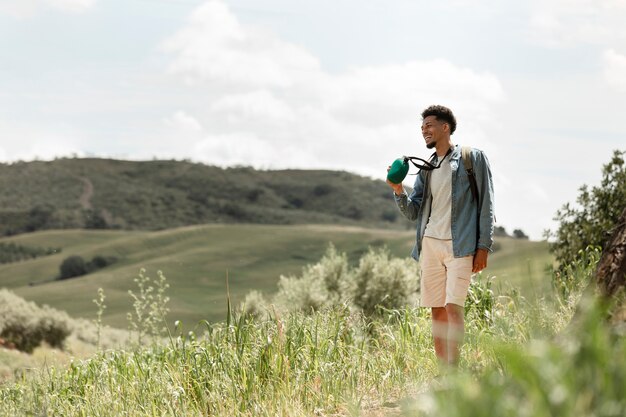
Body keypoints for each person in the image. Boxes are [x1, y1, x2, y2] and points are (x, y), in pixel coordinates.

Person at [387, 104, 494, 367]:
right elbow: (414, 211)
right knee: (437, 309)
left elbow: (487, 205)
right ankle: (443, 371)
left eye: (429, 126)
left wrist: (483, 247)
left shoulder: (472, 158)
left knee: (453, 307)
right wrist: (398, 190)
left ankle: (455, 373)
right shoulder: (426, 167)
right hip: (430, 245)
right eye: (422, 127)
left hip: (462, 245)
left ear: (445, 127)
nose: (424, 131)